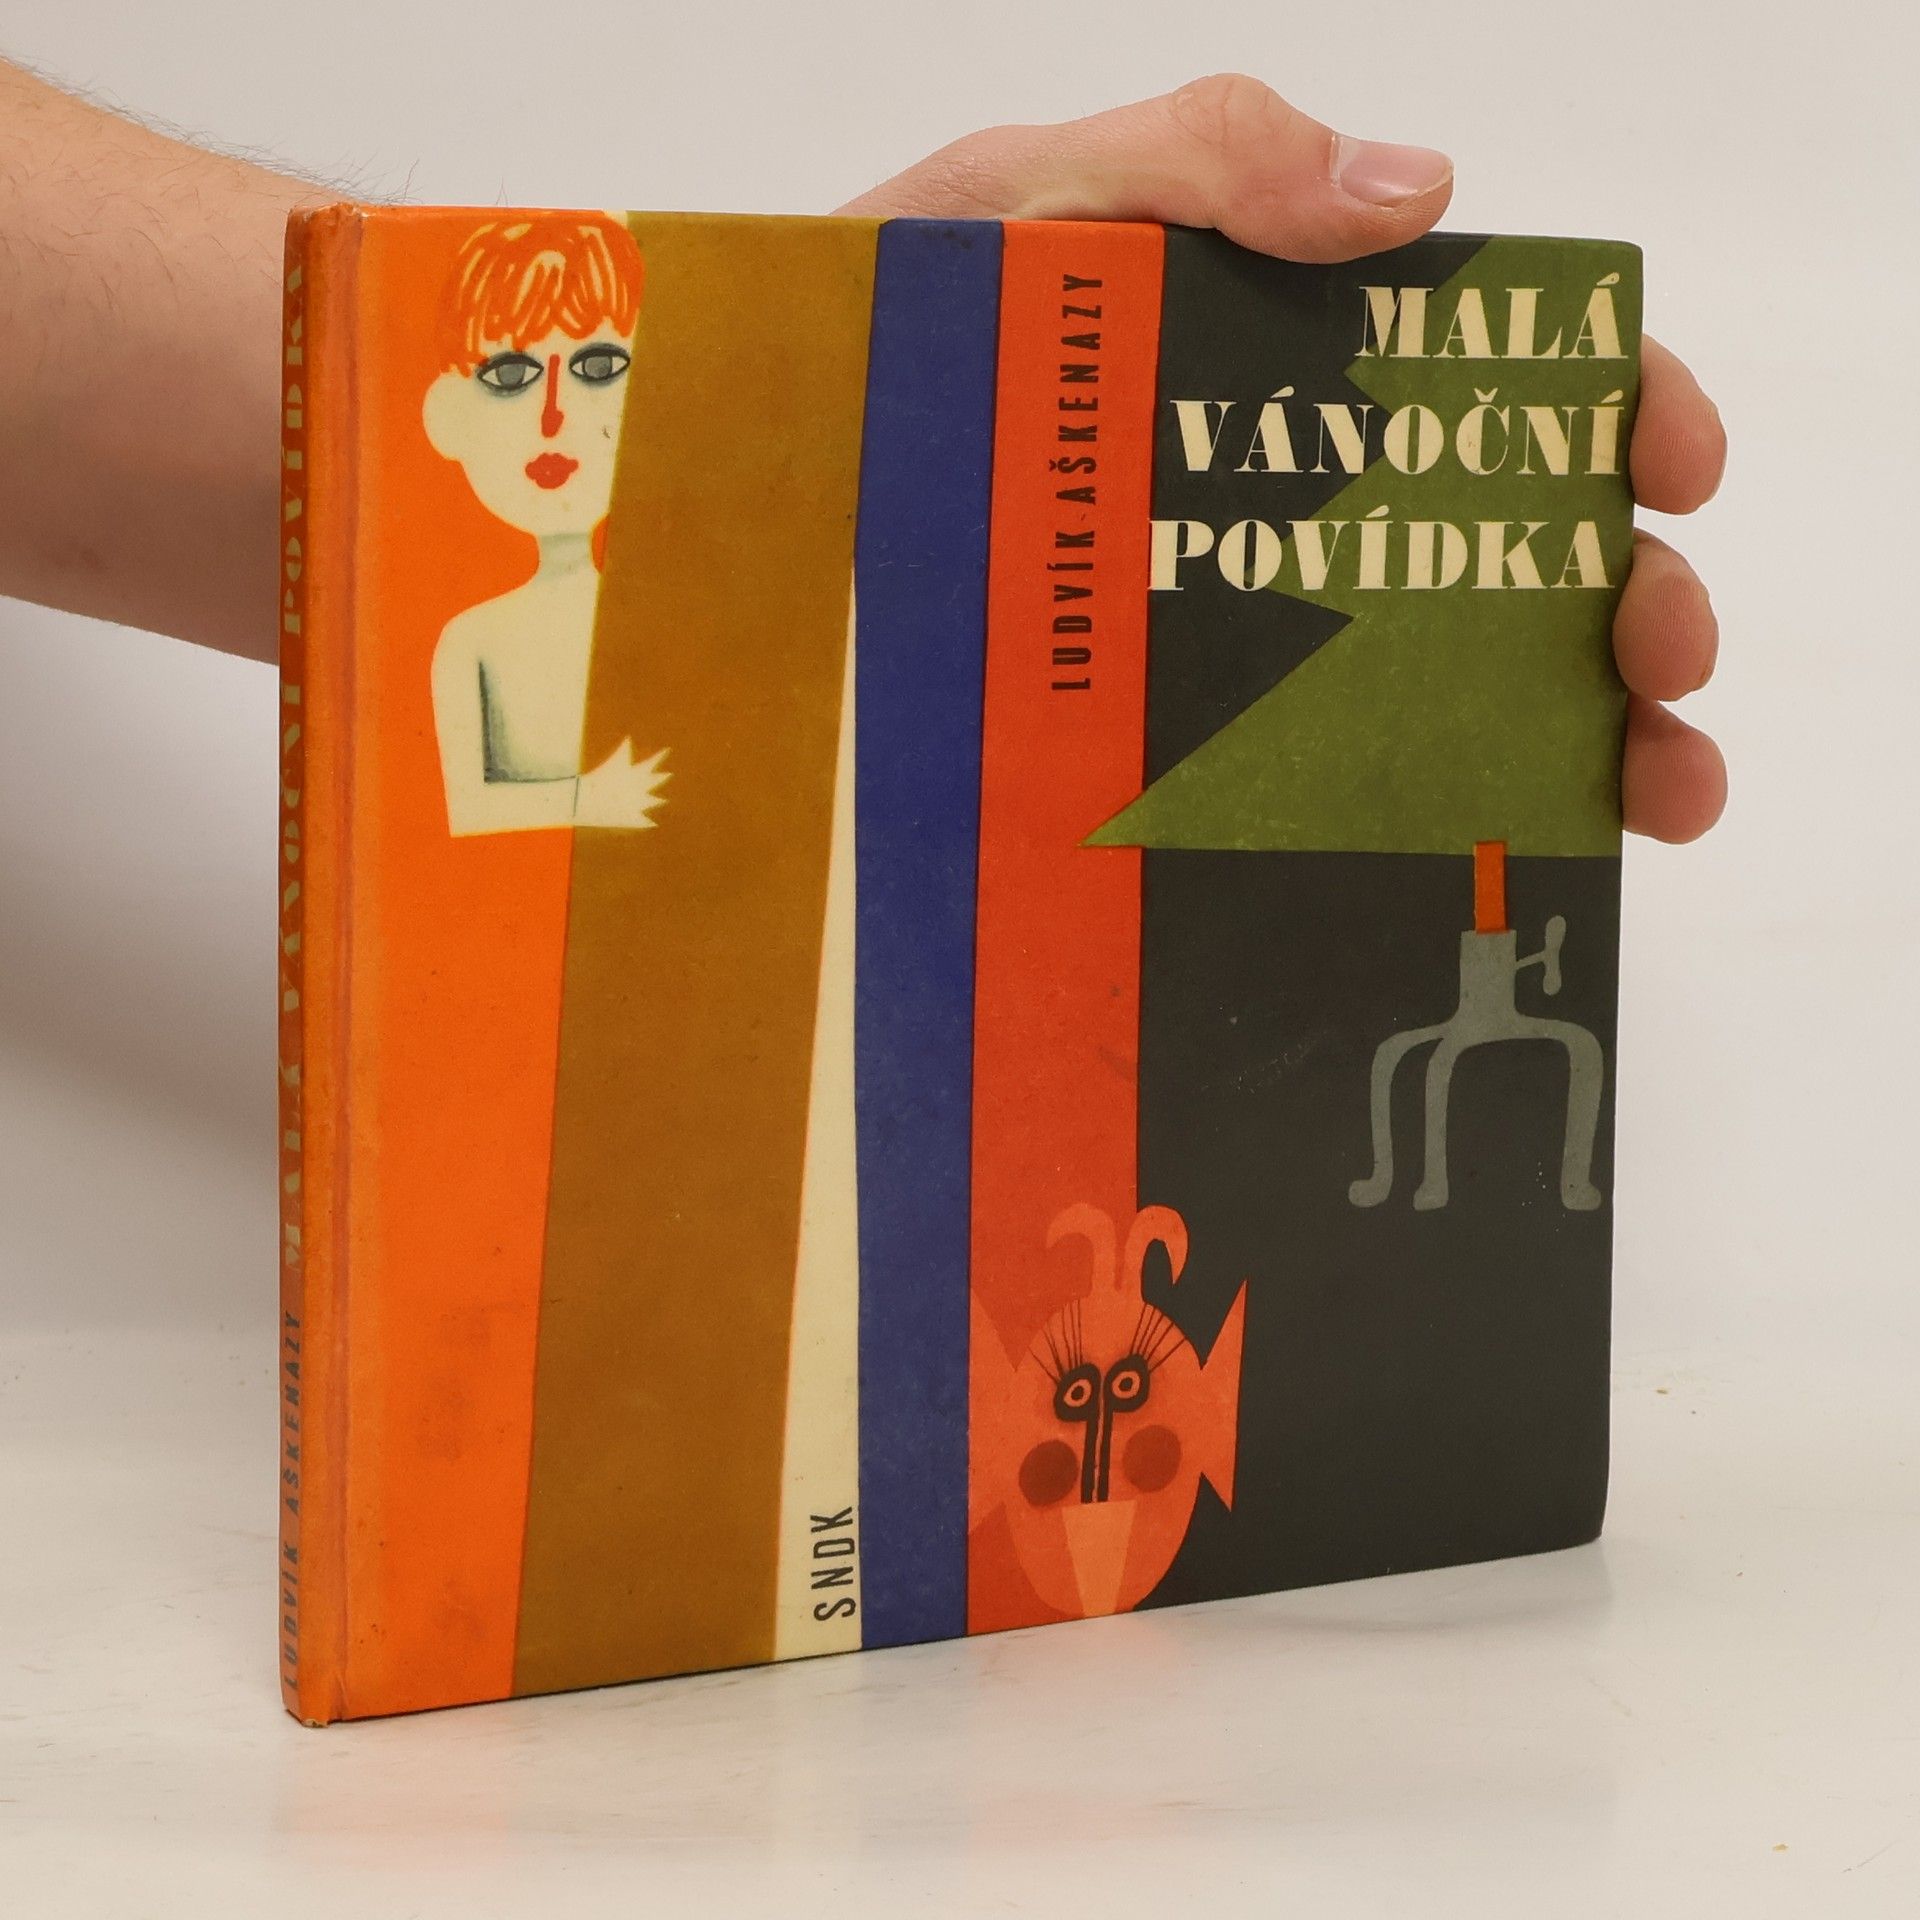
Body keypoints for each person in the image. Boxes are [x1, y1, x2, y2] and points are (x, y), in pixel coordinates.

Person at [0, 60, 1726, 842]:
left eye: (594, 373)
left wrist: (795, 397)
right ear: (458, 417)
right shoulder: (486, 637)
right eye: (520, 381)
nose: (563, 417)